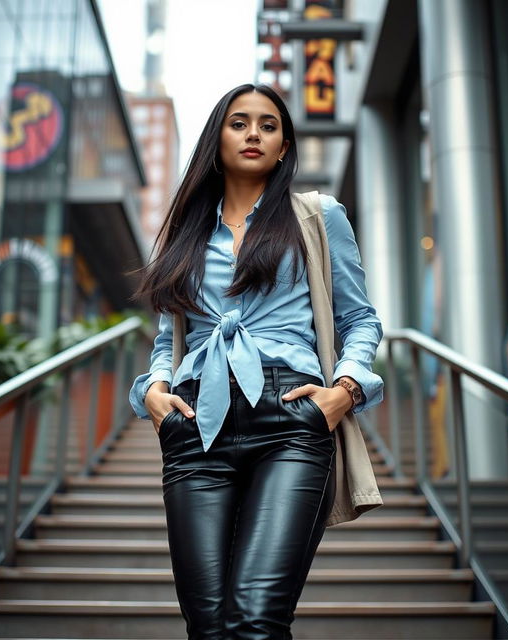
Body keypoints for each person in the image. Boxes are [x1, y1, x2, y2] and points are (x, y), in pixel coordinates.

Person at [129, 83, 383, 640]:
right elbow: (171, 336)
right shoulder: (186, 231)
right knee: (209, 626)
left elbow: (361, 321)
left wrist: (343, 390)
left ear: (284, 147)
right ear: (217, 138)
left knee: (255, 619)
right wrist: (154, 390)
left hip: (291, 419)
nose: (253, 134)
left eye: (268, 126)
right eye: (239, 122)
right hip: (196, 426)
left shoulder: (317, 215)